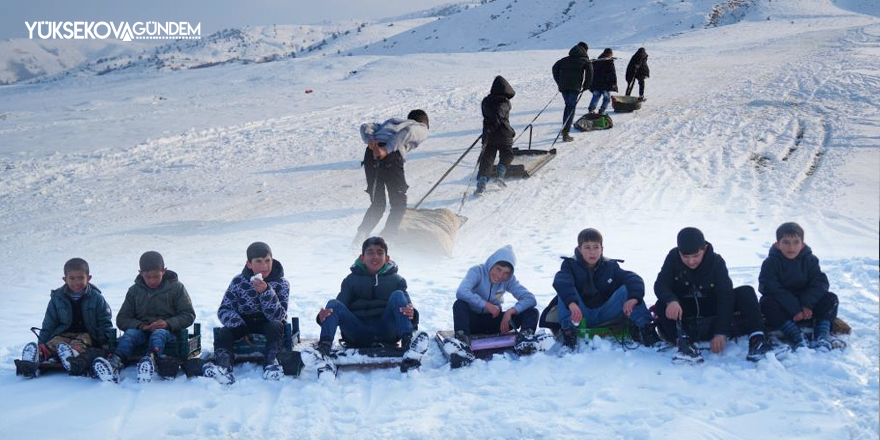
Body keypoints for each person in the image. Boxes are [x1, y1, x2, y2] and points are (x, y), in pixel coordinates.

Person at [654, 227, 772, 363]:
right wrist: (671, 300)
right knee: (661, 304)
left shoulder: (716, 262)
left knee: (746, 292)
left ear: (704, 248)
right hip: (687, 318)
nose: (691, 261)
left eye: (696, 256)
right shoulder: (672, 258)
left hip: (713, 313)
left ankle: (758, 340)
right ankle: (684, 344)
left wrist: (721, 331)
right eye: (685, 257)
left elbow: (726, 296)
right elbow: (660, 285)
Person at [314, 236, 427, 373]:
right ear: (362, 258)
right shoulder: (351, 280)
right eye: (370, 252)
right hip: (356, 332)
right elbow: (338, 307)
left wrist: (412, 314)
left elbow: (406, 307)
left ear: (387, 258)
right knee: (332, 303)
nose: (375, 256)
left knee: (398, 295)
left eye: (380, 252)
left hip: (386, 331)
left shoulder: (397, 281)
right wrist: (322, 317)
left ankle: (409, 345)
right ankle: (324, 349)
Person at [550, 228, 660, 355]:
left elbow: (633, 279)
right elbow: (561, 281)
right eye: (587, 247)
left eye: (596, 247)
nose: (592, 252)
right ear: (579, 249)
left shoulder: (610, 265)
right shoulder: (569, 264)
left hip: (605, 313)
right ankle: (569, 336)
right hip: (580, 314)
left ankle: (646, 330)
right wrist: (572, 304)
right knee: (564, 290)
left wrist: (633, 298)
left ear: (602, 249)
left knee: (628, 290)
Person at [92, 251, 196, 383]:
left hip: (169, 332)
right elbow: (122, 319)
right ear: (140, 273)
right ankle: (115, 363)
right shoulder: (134, 291)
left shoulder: (176, 288)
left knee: (159, 334)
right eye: (148, 277)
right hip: (142, 331)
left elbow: (188, 314)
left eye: (156, 276)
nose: (152, 281)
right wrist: (141, 326)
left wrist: (167, 323)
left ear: (164, 271)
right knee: (129, 335)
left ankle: (150, 360)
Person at [204, 242, 290, 385]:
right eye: (258, 261)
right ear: (249, 264)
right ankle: (224, 366)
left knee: (276, 326)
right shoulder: (238, 281)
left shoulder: (281, 283)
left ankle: (271, 363)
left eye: (268, 261)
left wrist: (266, 292)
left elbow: (278, 316)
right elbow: (224, 309)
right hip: (243, 322)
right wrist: (238, 325)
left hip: (267, 322)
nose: (264, 266)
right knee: (225, 332)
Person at [19, 258, 113, 377]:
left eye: (80, 278)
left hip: (88, 333)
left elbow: (104, 321)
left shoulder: (96, 298)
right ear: (65, 279)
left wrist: (106, 342)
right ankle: (39, 354)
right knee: (55, 342)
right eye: (72, 278)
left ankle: (72, 355)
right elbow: (49, 322)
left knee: (81, 341)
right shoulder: (57, 298)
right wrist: (42, 342)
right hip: (64, 333)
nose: (76, 282)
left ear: (88, 278)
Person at [758, 222, 840, 351]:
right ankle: (796, 335)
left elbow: (820, 282)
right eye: (786, 242)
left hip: (808, 308)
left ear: (802, 244)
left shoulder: (810, 260)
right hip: (784, 308)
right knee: (766, 302)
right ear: (778, 244)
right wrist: (794, 308)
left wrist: (807, 304)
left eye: (796, 242)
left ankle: (822, 334)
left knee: (830, 298)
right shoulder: (770, 262)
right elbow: (769, 287)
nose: (791, 247)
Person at [353, 109, 430, 245]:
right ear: (424, 122)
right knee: (399, 203)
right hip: (390, 156)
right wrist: (386, 149)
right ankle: (387, 239)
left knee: (378, 203)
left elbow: (365, 126)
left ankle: (360, 237)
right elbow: (408, 133)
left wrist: (370, 140)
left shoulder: (390, 123)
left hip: (370, 154)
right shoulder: (420, 128)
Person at [452, 245, 539, 355]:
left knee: (532, 311)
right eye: (498, 269)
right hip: (471, 322)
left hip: (494, 322)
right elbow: (461, 291)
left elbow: (530, 299)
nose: (500, 276)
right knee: (459, 304)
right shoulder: (477, 271)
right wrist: (486, 305)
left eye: (506, 273)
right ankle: (462, 343)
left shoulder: (509, 280)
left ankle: (525, 340)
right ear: (491, 264)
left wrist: (511, 311)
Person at [476, 76, 516, 195]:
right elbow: (498, 116)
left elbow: (491, 117)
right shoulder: (504, 102)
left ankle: (481, 184)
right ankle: (500, 175)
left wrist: (488, 130)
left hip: (489, 136)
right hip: (503, 135)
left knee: (486, 160)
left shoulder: (486, 101)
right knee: (507, 155)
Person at [552, 42, 592, 142]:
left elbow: (554, 68)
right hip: (575, 88)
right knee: (570, 108)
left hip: (564, 88)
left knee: (568, 106)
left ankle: (565, 130)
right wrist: (586, 86)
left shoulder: (564, 60)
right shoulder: (585, 61)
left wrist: (559, 82)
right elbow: (590, 73)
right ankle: (565, 133)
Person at [588, 48, 618, 115]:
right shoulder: (609, 62)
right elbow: (612, 73)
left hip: (596, 83)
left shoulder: (596, 61)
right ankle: (602, 110)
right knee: (606, 98)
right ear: (609, 54)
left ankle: (591, 109)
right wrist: (614, 83)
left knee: (596, 96)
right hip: (605, 84)